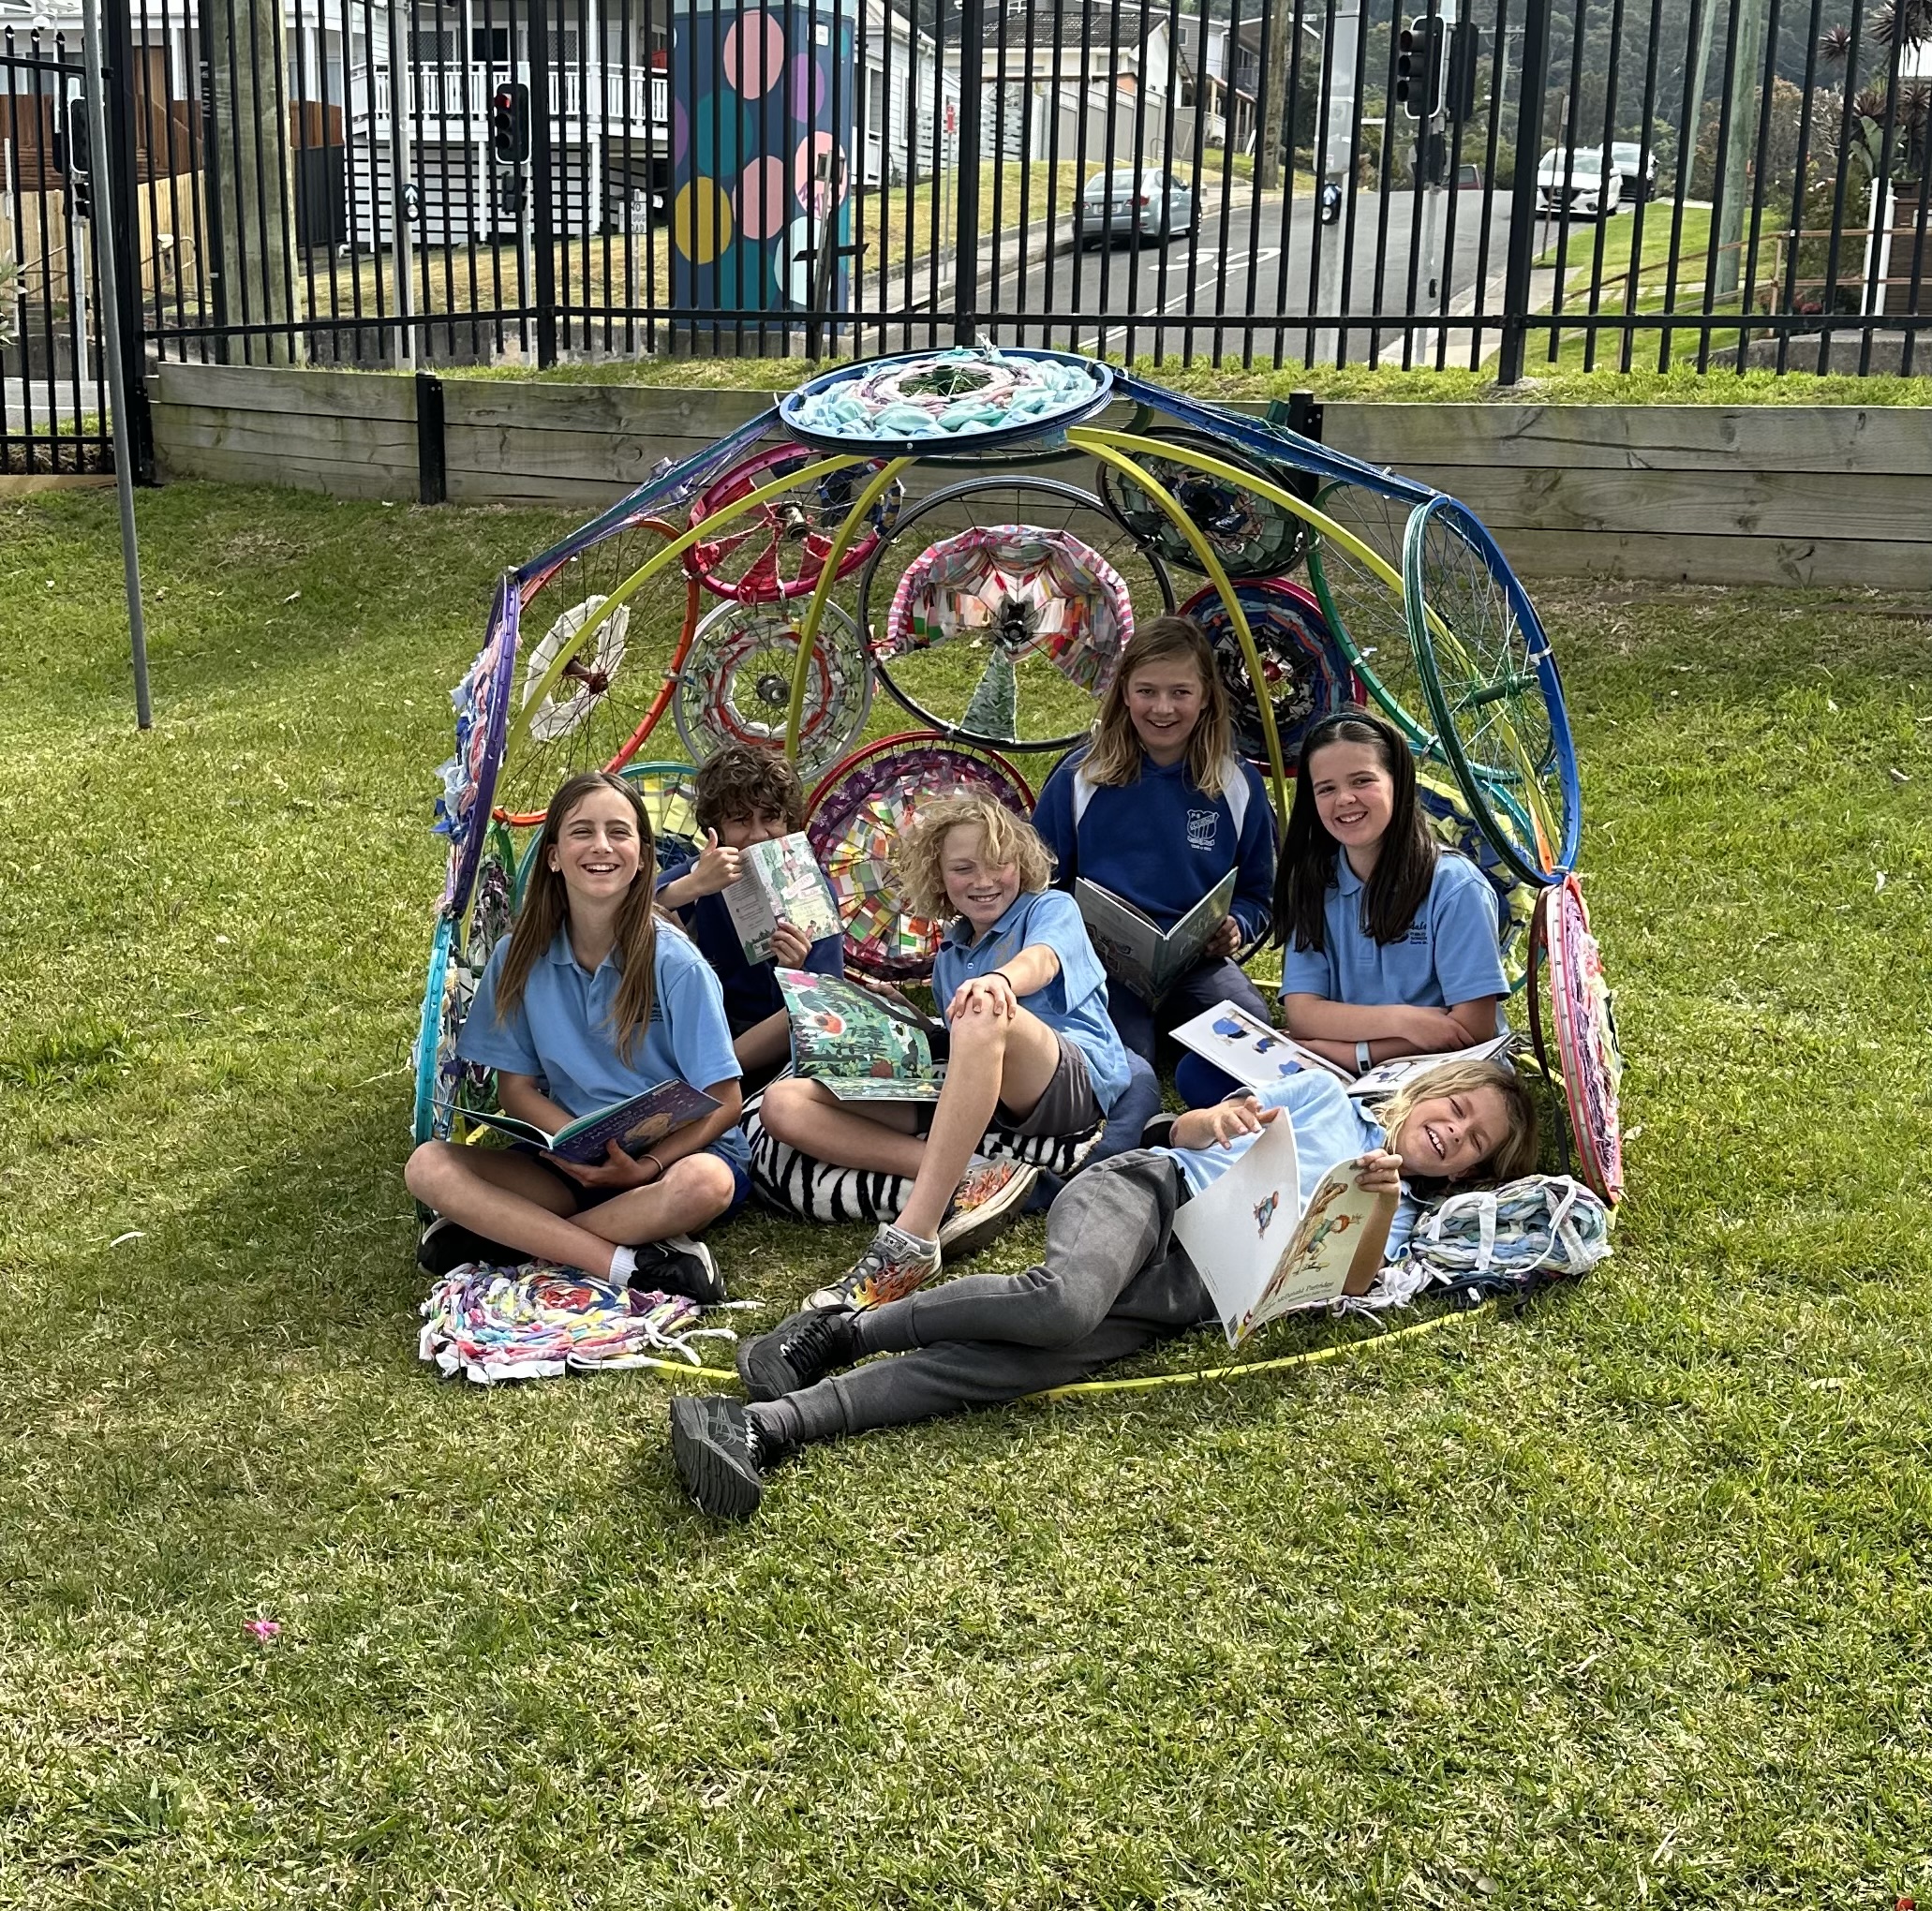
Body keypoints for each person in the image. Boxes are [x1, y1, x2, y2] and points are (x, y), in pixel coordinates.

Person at [668, 1058, 1540, 1518]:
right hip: (1148, 1193)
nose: (1452, 1134)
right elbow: (1180, 1127)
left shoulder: (1407, 1214)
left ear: (1470, 1173)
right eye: (1457, 1111)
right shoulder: (1322, 1095)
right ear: (1436, 1090)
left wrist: (1378, 1210)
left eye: (1471, 1146)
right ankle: (840, 1330)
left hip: (1194, 1286)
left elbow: (1347, 1283)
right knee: (1061, 1303)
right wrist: (1224, 1119)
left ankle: (763, 1427)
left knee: (1016, 1365)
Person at [755, 793, 1133, 1310]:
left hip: (1067, 1082)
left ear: (1021, 864)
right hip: (982, 1096)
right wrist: (899, 1018)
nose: (984, 880)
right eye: (963, 868)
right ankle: (971, 1173)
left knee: (983, 1008)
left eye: (999, 863)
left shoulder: (1051, 908)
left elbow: (1042, 962)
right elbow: (955, 1042)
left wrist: (998, 982)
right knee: (784, 1104)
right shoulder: (951, 955)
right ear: (939, 878)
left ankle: (914, 1236)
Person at [407, 770, 748, 1305]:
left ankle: (515, 1236)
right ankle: (628, 1263)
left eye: (620, 831)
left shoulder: (676, 962)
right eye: (581, 831)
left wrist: (646, 1166)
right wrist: (575, 1146)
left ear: (642, 856)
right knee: (428, 1165)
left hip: (673, 1159)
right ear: (553, 855)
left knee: (707, 1185)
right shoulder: (516, 958)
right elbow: (514, 1089)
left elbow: (727, 1101)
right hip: (567, 1158)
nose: (602, 846)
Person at [1176, 709, 1511, 1106]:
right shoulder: (1314, 881)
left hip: (1437, 1074)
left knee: (1439, 1114)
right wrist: (1407, 1021)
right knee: (1200, 1072)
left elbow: (1470, 1032)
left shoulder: (1455, 886)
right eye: (1326, 788)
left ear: (1398, 784)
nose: (1345, 800)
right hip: (1347, 1061)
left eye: (1362, 781)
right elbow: (1304, 1014)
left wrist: (1352, 1052)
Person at [1033, 614, 1276, 1078]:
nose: (1162, 709)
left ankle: (1186, 1054)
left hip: (1194, 965)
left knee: (1250, 1035)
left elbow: (1258, 893)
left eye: (1180, 692)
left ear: (1205, 698)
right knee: (1125, 1062)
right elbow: (1038, 883)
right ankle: (1142, 1049)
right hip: (1102, 967)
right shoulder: (1079, 776)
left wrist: (1237, 926)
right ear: (1125, 693)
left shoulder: (1236, 782)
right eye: (1147, 691)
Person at [655, 744, 843, 1087]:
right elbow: (622, 910)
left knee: (810, 1003)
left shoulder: (811, 889)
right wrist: (693, 886)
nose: (757, 834)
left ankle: (714, 1079)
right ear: (716, 830)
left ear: (788, 820)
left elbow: (824, 1005)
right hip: (702, 1030)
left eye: (770, 817)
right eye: (740, 820)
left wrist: (793, 974)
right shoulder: (699, 877)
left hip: (777, 1048)